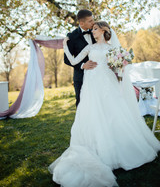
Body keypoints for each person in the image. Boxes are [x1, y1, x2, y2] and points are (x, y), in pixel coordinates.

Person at [49, 21, 160, 187]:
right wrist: (65, 46)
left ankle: (120, 150)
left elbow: (118, 69)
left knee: (114, 115)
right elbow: (73, 60)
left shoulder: (112, 49)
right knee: (93, 115)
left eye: (95, 29)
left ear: (103, 30)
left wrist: (122, 65)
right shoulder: (90, 48)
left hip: (109, 86)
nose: (92, 31)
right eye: (92, 29)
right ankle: (98, 148)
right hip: (92, 87)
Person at [64, 9, 97, 107]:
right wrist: (83, 65)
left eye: (93, 20)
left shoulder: (96, 31)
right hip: (80, 76)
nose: (93, 23)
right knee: (81, 103)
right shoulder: (72, 37)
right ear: (81, 23)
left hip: (97, 74)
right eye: (90, 21)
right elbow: (67, 60)